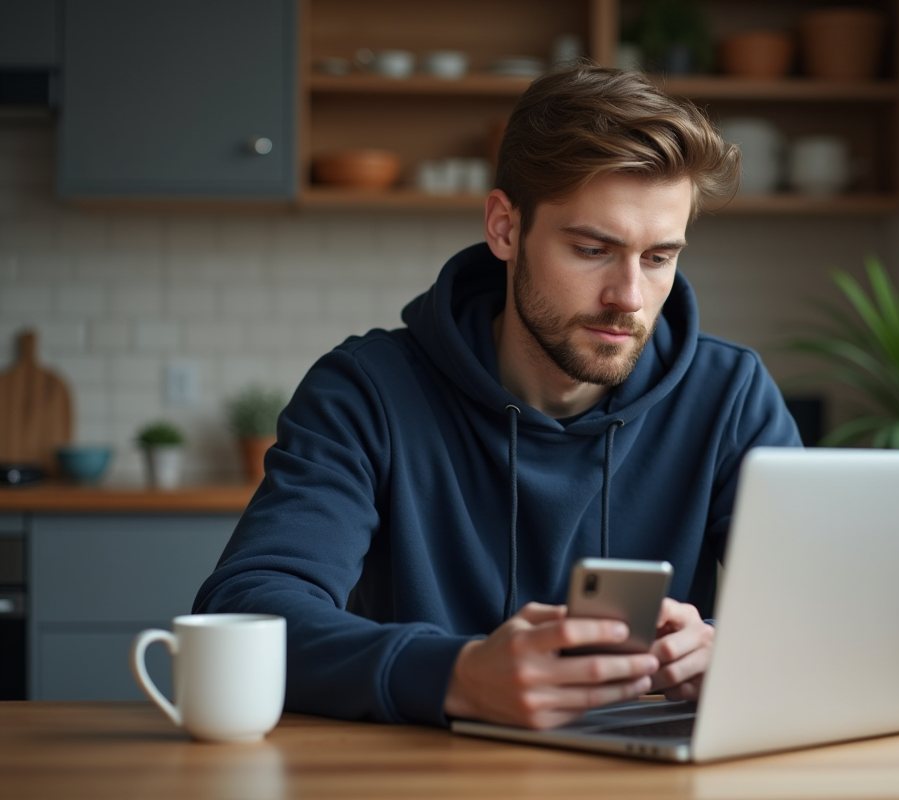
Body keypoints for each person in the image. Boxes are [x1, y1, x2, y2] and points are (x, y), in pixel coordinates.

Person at [193, 64, 802, 731]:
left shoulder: (729, 397)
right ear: (505, 229)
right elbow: (247, 610)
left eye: (658, 257)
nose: (628, 297)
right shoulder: (366, 393)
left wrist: (731, 649)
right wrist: (454, 674)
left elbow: (822, 611)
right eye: (593, 248)